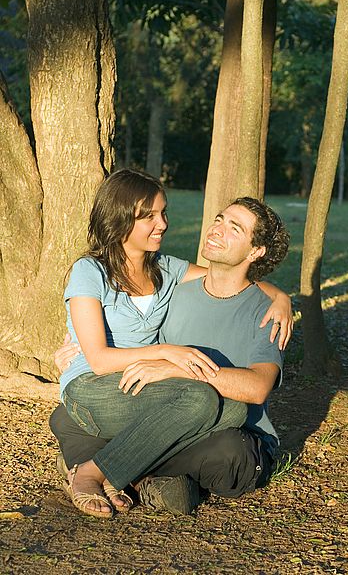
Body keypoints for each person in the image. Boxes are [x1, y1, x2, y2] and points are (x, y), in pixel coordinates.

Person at [54, 169, 292, 518]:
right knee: (201, 401)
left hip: (139, 391)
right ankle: (98, 472)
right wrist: (166, 353)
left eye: (163, 213)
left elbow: (228, 280)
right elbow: (100, 359)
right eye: (148, 216)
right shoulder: (90, 271)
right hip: (96, 383)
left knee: (234, 412)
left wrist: (282, 297)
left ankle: (110, 466)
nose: (162, 223)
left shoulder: (166, 270)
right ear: (120, 219)